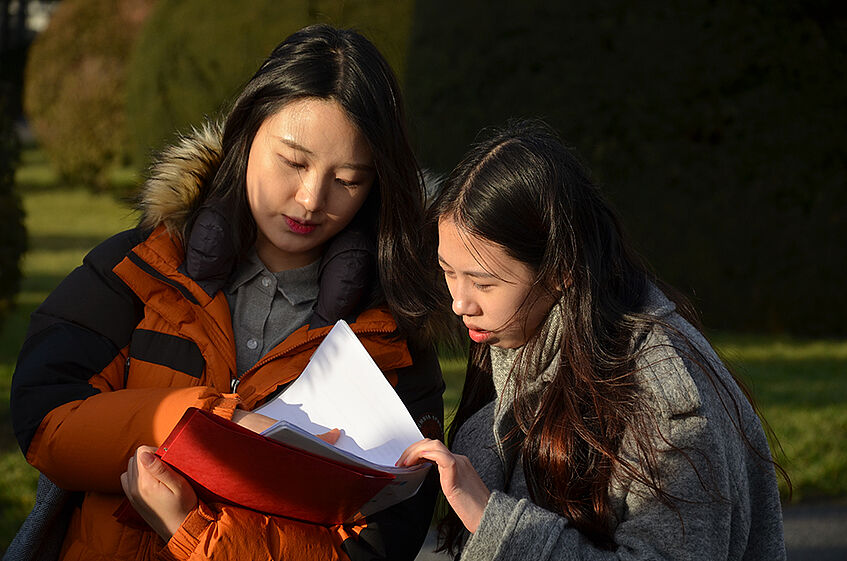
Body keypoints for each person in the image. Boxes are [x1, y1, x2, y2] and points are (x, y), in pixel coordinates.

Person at [9, 24, 446, 561]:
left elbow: (378, 546)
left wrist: (193, 532)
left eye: (349, 179)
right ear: (246, 132)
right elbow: (46, 418)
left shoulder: (390, 337)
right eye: (293, 161)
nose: (311, 199)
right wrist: (222, 424)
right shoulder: (144, 266)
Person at [397, 120, 787, 560]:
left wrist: (492, 520)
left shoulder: (668, 406)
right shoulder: (519, 336)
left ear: (562, 271)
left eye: (483, 284)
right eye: (448, 272)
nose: (459, 302)